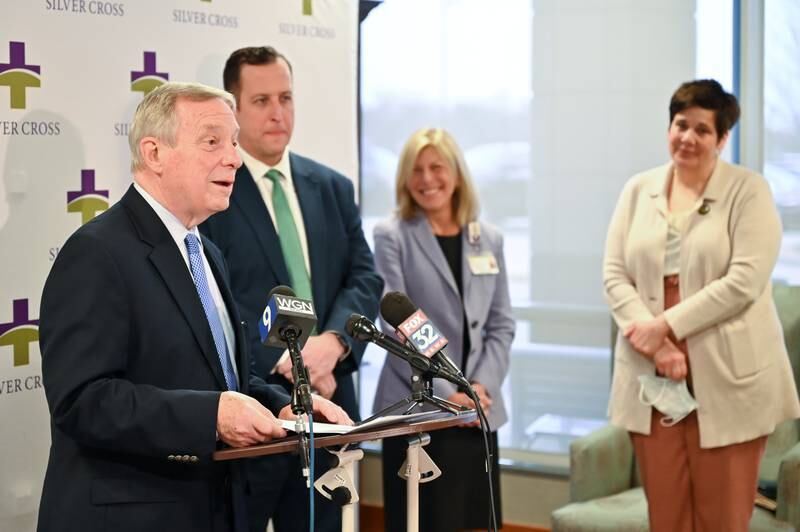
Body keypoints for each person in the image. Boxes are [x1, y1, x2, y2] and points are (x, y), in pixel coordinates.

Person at [36, 82, 351, 532]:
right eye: (212, 142)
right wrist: (212, 417)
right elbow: (82, 401)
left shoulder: (203, 250)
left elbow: (227, 379)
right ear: (154, 153)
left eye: (234, 142)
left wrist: (286, 407)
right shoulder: (96, 253)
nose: (235, 158)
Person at [603, 79, 800, 532]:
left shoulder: (749, 192)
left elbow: (744, 282)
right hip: (653, 371)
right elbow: (615, 275)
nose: (688, 137)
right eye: (680, 125)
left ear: (722, 138)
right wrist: (657, 345)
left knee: (722, 517)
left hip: (728, 371)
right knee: (666, 516)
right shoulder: (638, 189)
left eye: (703, 130)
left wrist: (665, 325)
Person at [200, 47, 383, 532]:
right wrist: (289, 361)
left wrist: (334, 344)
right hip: (255, 409)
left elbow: (364, 277)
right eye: (261, 100)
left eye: (285, 97)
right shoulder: (214, 193)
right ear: (233, 109)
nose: (278, 111)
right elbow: (212, 300)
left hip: (332, 400)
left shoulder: (332, 187)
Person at [372, 127, 515, 532]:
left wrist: (480, 386)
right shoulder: (392, 235)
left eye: (437, 167)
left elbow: (501, 324)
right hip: (420, 407)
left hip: (477, 412)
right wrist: (450, 391)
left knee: (473, 520)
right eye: (415, 170)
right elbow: (397, 318)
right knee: (424, 521)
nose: (426, 179)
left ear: (457, 174)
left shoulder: (488, 238)